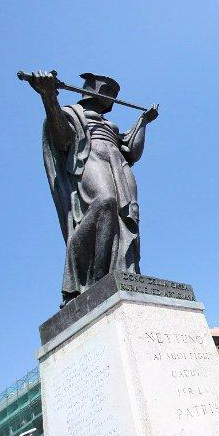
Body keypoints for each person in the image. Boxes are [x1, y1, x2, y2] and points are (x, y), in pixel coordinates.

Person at [26, 71, 158, 306]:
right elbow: (63, 138)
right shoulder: (71, 113)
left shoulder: (110, 124)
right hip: (91, 159)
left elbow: (133, 152)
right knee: (104, 201)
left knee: (127, 218)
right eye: (110, 92)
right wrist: (48, 96)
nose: (113, 98)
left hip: (119, 165)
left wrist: (143, 121)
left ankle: (122, 274)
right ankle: (85, 280)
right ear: (94, 90)